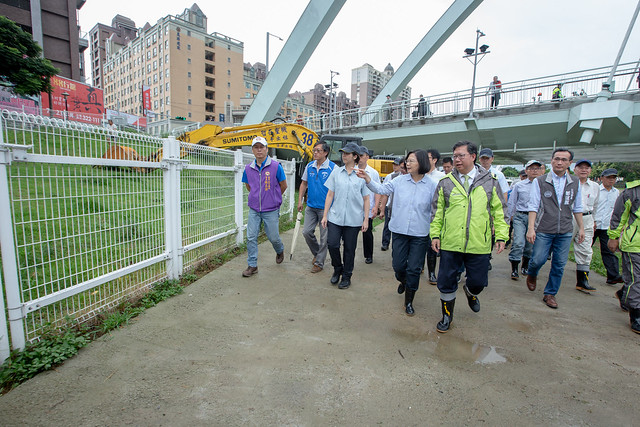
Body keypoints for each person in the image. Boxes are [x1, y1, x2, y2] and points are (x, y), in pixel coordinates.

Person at [430, 140, 509, 333]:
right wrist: (435, 235)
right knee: (446, 282)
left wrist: (501, 236)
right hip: (450, 242)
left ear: (473, 157)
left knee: (478, 282)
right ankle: (447, 316)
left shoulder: (490, 182)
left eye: (461, 155)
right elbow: (437, 212)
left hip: (478, 243)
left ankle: (471, 292)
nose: (456, 159)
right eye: (455, 155)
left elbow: (500, 211)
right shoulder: (445, 183)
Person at [357, 150, 437, 316]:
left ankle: (409, 301)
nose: (407, 163)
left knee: (414, 268)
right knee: (398, 266)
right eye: (407, 161)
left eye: (412, 161)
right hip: (399, 231)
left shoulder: (431, 185)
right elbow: (380, 188)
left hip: (420, 234)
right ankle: (404, 281)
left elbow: (437, 209)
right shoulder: (399, 180)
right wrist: (367, 179)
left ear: (421, 162)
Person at [525, 148, 585, 309]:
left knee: (559, 264)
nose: (559, 162)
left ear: (570, 163)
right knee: (538, 259)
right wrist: (531, 228)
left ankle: (550, 293)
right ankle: (532, 273)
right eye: (557, 159)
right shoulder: (541, 181)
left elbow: (577, 207)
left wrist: (581, 228)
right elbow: (533, 205)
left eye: (564, 160)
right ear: (551, 160)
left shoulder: (574, 182)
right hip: (544, 228)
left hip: (565, 229)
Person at [321, 142, 370, 289]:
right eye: (343, 153)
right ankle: (337, 268)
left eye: (347, 153)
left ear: (355, 156)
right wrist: (325, 216)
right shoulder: (336, 172)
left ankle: (347, 276)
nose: (344, 156)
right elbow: (330, 194)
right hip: (335, 217)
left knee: (349, 249)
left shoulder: (361, 175)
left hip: (354, 220)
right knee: (332, 244)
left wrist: (366, 219)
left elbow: (366, 199)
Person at [241, 136, 288, 277]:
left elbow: (283, 185)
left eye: (262, 147)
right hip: (254, 209)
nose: (259, 150)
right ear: (253, 150)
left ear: (267, 149)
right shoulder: (248, 168)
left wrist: (273, 198)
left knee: (273, 237)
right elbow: (248, 186)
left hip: (271, 209)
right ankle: (252, 265)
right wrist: (257, 197)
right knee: (251, 237)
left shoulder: (275, 166)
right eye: (256, 147)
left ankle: (279, 250)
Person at [607, 177, 640, 334]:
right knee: (636, 279)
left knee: (633, 281)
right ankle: (636, 315)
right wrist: (613, 237)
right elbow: (618, 217)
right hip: (634, 245)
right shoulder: (631, 192)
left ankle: (624, 293)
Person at [298, 141, 336, 273]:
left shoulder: (333, 168)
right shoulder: (309, 166)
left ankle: (319, 263)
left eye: (318, 150)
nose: (315, 153)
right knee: (306, 232)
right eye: (314, 150)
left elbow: (336, 189)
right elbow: (303, 184)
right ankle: (317, 253)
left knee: (324, 237)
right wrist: (300, 201)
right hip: (311, 206)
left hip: (326, 209)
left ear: (325, 152)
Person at [507, 160, 543, 280]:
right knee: (518, 242)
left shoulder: (543, 185)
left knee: (530, 245)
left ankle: (525, 265)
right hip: (520, 216)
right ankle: (514, 268)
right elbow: (512, 202)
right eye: (531, 168)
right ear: (526, 171)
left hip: (536, 218)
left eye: (536, 169)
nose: (534, 171)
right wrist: (509, 218)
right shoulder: (519, 185)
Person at [572, 159, 599, 293]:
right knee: (561, 246)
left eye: (587, 168)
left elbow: (596, 205)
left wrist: (594, 220)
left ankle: (582, 281)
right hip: (570, 218)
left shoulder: (595, 186)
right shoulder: (570, 183)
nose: (584, 170)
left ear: (590, 171)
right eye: (580, 167)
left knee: (585, 249)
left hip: (587, 218)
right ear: (574, 169)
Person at [593, 168, 623, 284]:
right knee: (585, 249)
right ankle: (582, 273)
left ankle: (613, 276)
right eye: (608, 177)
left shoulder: (616, 192)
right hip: (594, 224)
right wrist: (593, 220)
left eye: (613, 178)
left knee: (608, 251)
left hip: (606, 226)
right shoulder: (597, 190)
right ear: (601, 178)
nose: (611, 180)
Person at [356, 146, 381, 264]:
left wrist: (376, 206)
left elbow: (377, 190)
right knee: (351, 232)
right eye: (358, 155)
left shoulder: (373, 172)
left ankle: (368, 255)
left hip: (368, 207)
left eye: (362, 156)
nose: (360, 158)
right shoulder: (352, 170)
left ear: (367, 157)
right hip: (354, 207)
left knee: (367, 232)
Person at [425, 149, 446, 284]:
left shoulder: (441, 177)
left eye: (428, 158)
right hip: (420, 215)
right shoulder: (418, 174)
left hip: (434, 215)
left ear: (434, 160)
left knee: (431, 245)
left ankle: (432, 273)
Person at [379, 157, 404, 252]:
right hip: (389, 205)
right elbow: (384, 193)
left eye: (397, 165)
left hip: (398, 207)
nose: (395, 167)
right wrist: (382, 208)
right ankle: (385, 243)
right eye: (394, 165)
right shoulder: (390, 177)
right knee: (387, 225)